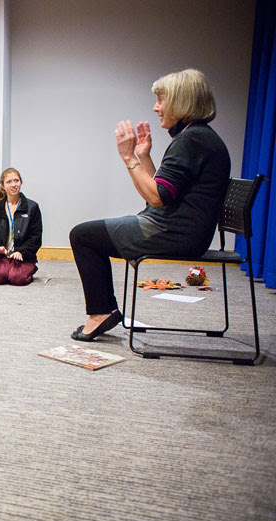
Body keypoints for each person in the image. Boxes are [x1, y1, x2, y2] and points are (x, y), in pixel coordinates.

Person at [69, 68, 230, 341]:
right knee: (89, 233)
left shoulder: (192, 140)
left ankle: (101, 313)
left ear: (183, 101)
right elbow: (165, 191)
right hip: (180, 229)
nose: (156, 108)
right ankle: (103, 310)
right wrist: (144, 157)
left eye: (161, 100)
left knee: (82, 236)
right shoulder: (198, 136)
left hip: (174, 233)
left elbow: (156, 198)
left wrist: (128, 156)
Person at [0, 168, 42, 286]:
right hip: (0, 256)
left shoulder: (32, 207)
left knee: (17, 278)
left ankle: (25, 269)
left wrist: (22, 252)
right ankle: (8, 267)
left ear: (21, 182)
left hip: (23, 256)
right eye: (9, 182)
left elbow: (35, 236)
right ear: (3, 186)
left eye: (16, 181)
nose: (13, 185)